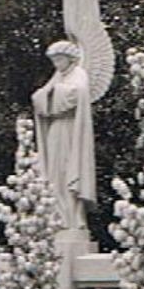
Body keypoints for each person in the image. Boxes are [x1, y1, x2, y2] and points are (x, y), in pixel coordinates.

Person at [32, 39, 96, 230]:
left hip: (71, 130)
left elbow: (77, 94)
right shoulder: (58, 76)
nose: (56, 65)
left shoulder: (79, 74)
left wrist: (53, 92)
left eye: (59, 60)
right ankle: (58, 215)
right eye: (54, 61)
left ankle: (75, 215)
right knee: (55, 174)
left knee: (71, 170)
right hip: (55, 130)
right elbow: (40, 97)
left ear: (70, 58)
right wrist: (46, 93)